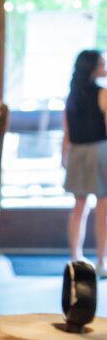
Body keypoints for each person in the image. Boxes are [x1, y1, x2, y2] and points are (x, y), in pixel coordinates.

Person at [62, 50, 107, 276]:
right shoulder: (102, 93)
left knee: (79, 207)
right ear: (92, 67)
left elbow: (66, 131)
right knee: (102, 207)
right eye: (102, 64)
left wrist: (64, 155)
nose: (104, 67)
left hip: (77, 152)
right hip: (98, 151)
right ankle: (100, 259)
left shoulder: (72, 95)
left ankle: (75, 257)